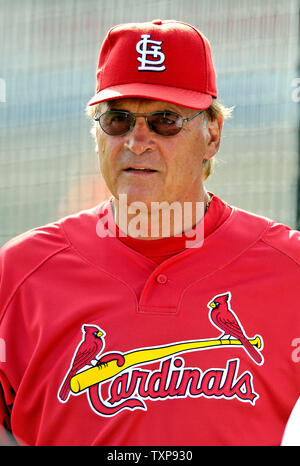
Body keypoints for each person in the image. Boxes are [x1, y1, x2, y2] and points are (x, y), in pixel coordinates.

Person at [0, 19, 299, 447]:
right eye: (117, 120)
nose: (137, 141)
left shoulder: (291, 270)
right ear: (97, 134)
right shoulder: (20, 272)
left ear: (212, 133)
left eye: (165, 121)